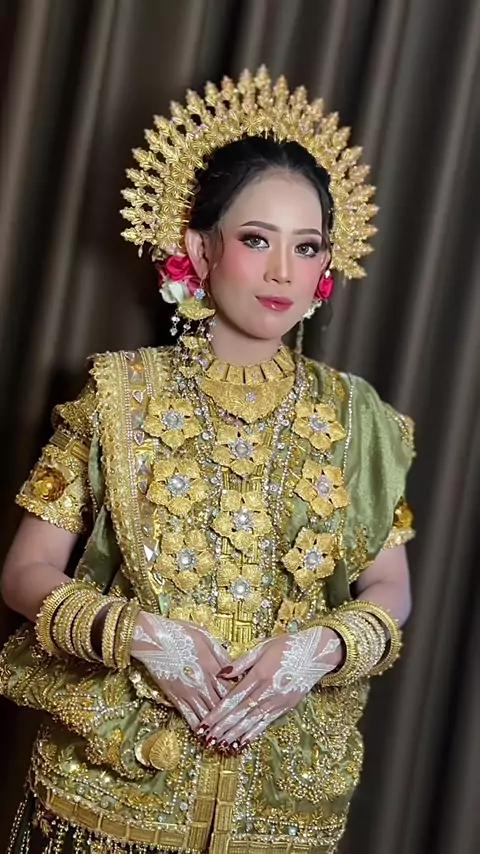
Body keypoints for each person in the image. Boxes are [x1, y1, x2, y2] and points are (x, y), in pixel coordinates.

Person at [0, 68, 415, 854]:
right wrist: (139, 634)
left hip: (282, 793)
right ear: (199, 245)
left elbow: (390, 588)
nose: (283, 271)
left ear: (327, 265)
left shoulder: (357, 417)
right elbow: (25, 573)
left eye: (306, 247)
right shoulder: (120, 395)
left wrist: (320, 649)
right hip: (112, 788)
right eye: (257, 239)